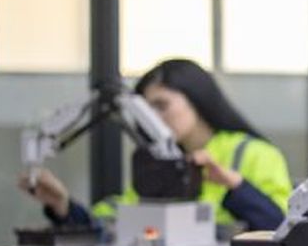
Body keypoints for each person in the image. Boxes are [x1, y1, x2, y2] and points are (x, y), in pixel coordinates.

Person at [20, 58, 292, 234]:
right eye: (146, 110)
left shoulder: (256, 154)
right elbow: (113, 222)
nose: (153, 118)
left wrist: (235, 186)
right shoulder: (160, 161)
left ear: (197, 99)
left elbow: (282, 230)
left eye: (162, 105)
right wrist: (63, 206)